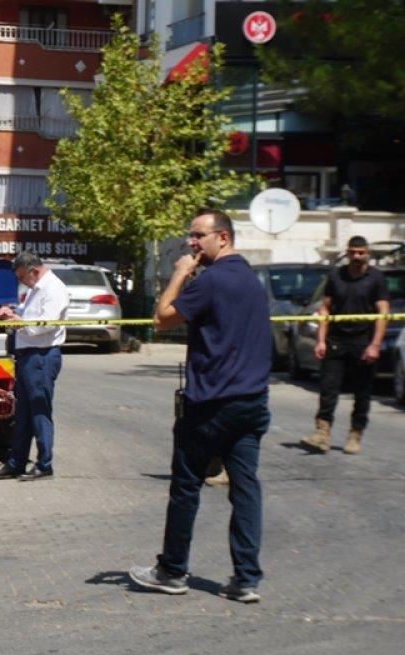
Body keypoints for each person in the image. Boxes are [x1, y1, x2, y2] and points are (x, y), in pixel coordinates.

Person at [129, 208, 272, 603]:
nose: (191, 243)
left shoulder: (212, 281)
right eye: (190, 236)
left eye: (198, 236)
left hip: (210, 405)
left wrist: (179, 273)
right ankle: (246, 580)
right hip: (251, 403)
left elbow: (161, 319)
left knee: (186, 487)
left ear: (222, 238)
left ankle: (172, 571)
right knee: (245, 489)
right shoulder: (251, 281)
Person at [299, 236, 390, 455]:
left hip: (363, 341)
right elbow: (325, 309)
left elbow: (383, 313)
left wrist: (375, 344)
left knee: (363, 392)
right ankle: (322, 434)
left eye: (361, 252)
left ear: (367, 253)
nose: (357, 257)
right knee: (328, 389)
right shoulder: (336, 276)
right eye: (353, 252)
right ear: (347, 253)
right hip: (337, 341)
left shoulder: (376, 278)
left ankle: (355, 433)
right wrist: (321, 340)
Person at [0, 252, 69, 481]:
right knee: (23, 412)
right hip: (27, 355)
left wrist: (18, 323)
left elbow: (45, 324)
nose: (22, 282)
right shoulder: (36, 288)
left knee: (39, 411)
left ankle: (44, 464)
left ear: (33, 270)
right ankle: (17, 462)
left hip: (41, 356)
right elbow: (31, 316)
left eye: (23, 277)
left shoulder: (53, 289)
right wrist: (14, 314)